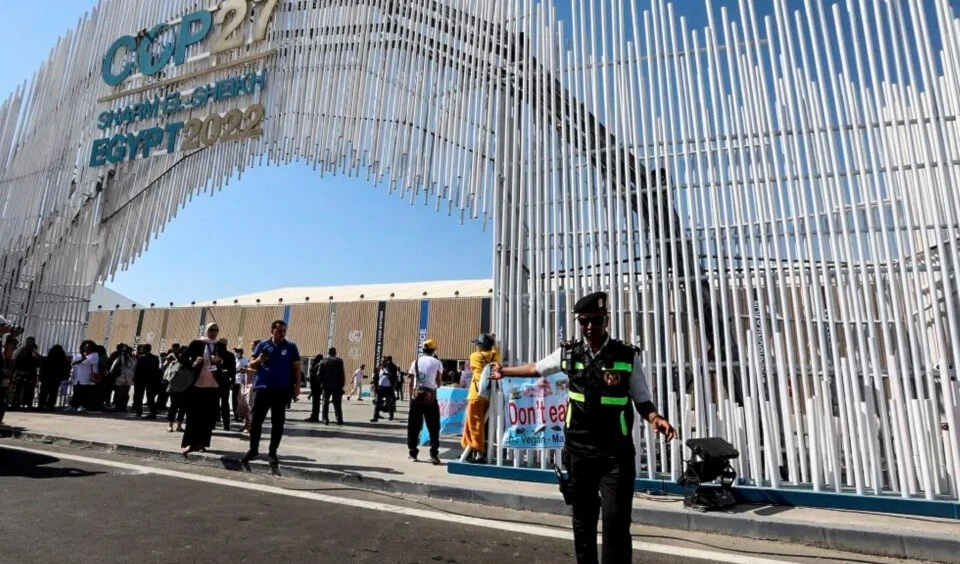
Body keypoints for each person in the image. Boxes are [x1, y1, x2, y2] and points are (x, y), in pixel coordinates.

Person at [491, 291, 677, 564]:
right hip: (579, 452)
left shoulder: (626, 355)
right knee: (583, 521)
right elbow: (536, 369)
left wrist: (655, 418)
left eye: (596, 320)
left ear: (606, 320)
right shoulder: (569, 353)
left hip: (616, 455)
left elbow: (641, 398)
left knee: (616, 523)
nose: (590, 326)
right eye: (584, 321)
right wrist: (504, 371)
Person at [242, 320, 301, 465]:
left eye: (284, 331)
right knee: (256, 421)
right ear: (272, 331)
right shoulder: (262, 345)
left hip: (281, 389)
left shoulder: (291, 347)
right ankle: (253, 449)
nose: (282, 333)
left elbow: (296, 368)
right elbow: (251, 365)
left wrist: (297, 386)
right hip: (262, 388)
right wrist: (259, 359)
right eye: (279, 331)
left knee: (278, 422)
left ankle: (272, 452)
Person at [179, 324, 223, 456]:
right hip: (197, 384)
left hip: (213, 385)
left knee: (208, 417)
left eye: (216, 330)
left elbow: (227, 363)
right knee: (193, 415)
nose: (213, 332)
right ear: (206, 331)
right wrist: (193, 363)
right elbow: (182, 358)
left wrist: (219, 361)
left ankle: (202, 443)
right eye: (211, 330)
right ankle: (191, 444)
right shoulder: (197, 343)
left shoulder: (220, 346)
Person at [461, 333, 499, 464]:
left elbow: (473, 368)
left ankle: (478, 451)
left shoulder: (474, 356)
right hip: (488, 394)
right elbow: (496, 351)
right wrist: (493, 340)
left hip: (475, 393)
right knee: (478, 423)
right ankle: (469, 448)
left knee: (474, 423)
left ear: (481, 346)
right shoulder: (494, 356)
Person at [407, 339, 443, 464]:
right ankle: (434, 454)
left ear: (423, 349)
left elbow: (410, 382)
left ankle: (412, 453)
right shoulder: (437, 363)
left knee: (414, 426)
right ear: (433, 350)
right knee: (433, 426)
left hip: (416, 398)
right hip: (430, 398)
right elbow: (439, 382)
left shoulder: (415, 362)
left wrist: (411, 397)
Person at [11, 336, 42, 410]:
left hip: (27, 373)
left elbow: (39, 359)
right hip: (24, 372)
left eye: (31, 341)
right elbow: (15, 360)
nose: (29, 343)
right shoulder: (22, 350)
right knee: (21, 389)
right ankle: (18, 403)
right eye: (29, 341)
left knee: (26, 389)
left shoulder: (32, 350)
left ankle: (24, 403)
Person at [38, 345, 71, 411]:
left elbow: (42, 369)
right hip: (56, 378)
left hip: (46, 378)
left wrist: (41, 377)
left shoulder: (46, 359)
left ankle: (41, 405)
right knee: (53, 392)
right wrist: (64, 377)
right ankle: (51, 406)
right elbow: (66, 369)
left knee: (43, 392)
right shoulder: (63, 361)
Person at [69, 340, 99, 412]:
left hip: (87, 377)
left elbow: (86, 361)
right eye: (85, 346)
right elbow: (73, 362)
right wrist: (78, 361)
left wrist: (79, 360)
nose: (86, 348)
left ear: (92, 347)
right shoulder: (80, 355)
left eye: (88, 347)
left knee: (84, 392)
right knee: (76, 392)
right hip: (77, 377)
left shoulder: (94, 355)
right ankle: (74, 406)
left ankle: (83, 406)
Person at [132, 344, 161, 418]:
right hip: (151, 380)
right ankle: (152, 412)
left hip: (141, 379)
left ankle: (139, 412)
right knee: (150, 397)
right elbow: (157, 369)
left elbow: (138, 369)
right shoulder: (155, 358)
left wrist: (134, 378)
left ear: (144, 349)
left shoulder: (141, 358)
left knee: (139, 396)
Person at [319, 347, 346, 425]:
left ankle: (325, 419)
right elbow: (342, 374)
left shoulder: (322, 361)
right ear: (335, 353)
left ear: (328, 353)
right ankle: (339, 419)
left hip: (326, 385)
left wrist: (321, 383)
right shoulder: (339, 361)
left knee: (325, 402)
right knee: (337, 403)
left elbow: (319, 374)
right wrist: (342, 385)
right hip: (337, 385)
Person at [215, 338, 237, 431]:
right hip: (223, 380)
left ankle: (219, 422)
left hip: (218, 380)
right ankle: (225, 424)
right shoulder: (230, 355)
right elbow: (233, 370)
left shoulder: (216, 353)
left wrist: (232, 382)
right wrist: (232, 382)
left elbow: (233, 369)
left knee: (217, 402)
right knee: (224, 403)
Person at [110, 345, 136, 412]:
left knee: (119, 392)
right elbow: (135, 369)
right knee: (126, 393)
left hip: (121, 376)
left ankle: (118, 406)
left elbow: (112, 368)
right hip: (129, 377)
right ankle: (124, 407)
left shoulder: (120, 357)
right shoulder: (134, 359)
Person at [370, 357, 396, 422]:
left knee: (389, 402)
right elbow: (375, 377)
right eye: (382, 361)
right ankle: (375, 417)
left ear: (387, 362)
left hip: (388, 388)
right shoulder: (379, 369)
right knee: (378, 403)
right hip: (380, 388)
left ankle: (391, 415)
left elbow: (394, 376)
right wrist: (375, 386)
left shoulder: (390, 368)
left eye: (385, 361)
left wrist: (391, 375)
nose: (383, 362)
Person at [304, 354, 324, 423]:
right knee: (316, 402)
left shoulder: (317, 365)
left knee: (316, 402)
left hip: (315, 386)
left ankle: (315, 416)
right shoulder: (319, 365)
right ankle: (315, 415)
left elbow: (315, 375)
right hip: (317, 386)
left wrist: (310, 379)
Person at [233, 348, 247, 422]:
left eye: (236, 352)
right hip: (234, 381)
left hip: (241, 381)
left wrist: (240, 371)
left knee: (240, 399)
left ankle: (241, 415)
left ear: (241, 353)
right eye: (235, 352)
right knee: (234, 399)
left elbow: (246, 369)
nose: (235, 353)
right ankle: (236, 415)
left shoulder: (245, 360)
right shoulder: (235, 359)